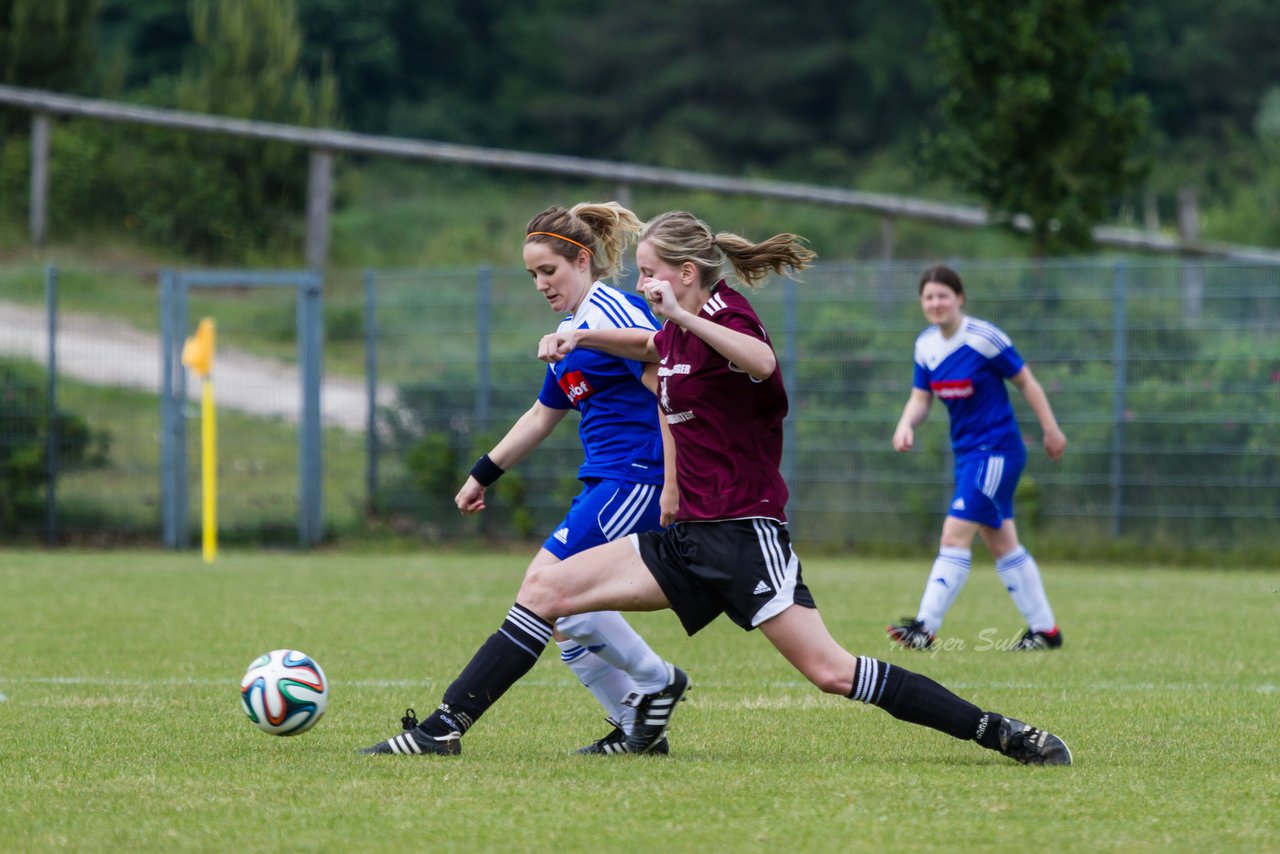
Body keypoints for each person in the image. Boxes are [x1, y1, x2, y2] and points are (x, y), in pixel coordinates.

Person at [361, 212, 1072, 765]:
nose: (643, 287)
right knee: (545, 593)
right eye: (639, 275)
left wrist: (681, 317)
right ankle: (443, 728)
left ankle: (999, 731)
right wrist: (583, 341)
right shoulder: (668, 330)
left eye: (651, 274)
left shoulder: (726, 317)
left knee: (831, 671)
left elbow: (760, 362)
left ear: (691, 273)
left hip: (746, 537)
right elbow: (649, 352)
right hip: (687, 535)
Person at [450, 201, 681, 755]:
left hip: (636, 480)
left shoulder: (610, 311)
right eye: (532, 275)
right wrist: (483, 475)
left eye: (548, 271)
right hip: (606, 482)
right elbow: (539, 417)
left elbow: (667, 368)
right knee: (565, 619)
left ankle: (655, 682)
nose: (540, 284)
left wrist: (680, 476)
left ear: (581, 259)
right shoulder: (571, 330)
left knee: (543, 590)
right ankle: (638, 730)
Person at [886, 264, 1068, 652]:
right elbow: (921, 398)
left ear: (959, 298)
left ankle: (924, 627)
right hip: (968, 454)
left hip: (997, 451)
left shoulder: (984, 338)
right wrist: (907, 425)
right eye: (928, 297)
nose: (935, 303)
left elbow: (1027, 382)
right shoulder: (926, 347)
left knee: (954, 535)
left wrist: (1051, 430)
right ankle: (1046, 632)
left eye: (942, 295)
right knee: (1003, 545)